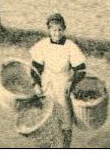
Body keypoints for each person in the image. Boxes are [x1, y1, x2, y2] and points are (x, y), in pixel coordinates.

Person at [29, 13, 86, 148]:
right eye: (54, 30)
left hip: (63, 86)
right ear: (49, 30)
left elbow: (81, 69)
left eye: (60, 30)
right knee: (47, 117)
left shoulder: (70, 46)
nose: (57, 33)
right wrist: (36, 84)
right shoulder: (43, 45)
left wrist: (71, 82)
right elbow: (35, 69)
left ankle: (65, 147)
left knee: (65, 120)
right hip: (47, 85)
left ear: (64, 29)